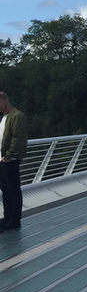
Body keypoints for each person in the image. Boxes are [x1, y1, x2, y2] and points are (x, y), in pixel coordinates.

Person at [0, 91, 28, 231]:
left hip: (10, 159)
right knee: (5, 190)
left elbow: (18, 137)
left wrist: (9, 155)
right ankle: (7, 218)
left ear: (5, 101)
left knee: (13, 189)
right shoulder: (4, 117)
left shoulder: (17, 116)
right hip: (2, 159)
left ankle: (14, 221)